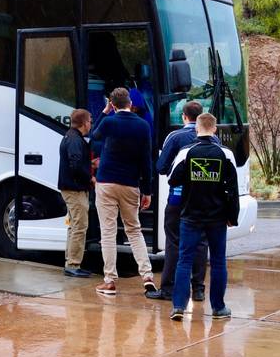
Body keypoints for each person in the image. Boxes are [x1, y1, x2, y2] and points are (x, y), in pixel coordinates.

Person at [166, 113, 239, 320]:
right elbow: (232, 189)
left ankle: (179, 306)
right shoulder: (225, 154)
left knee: (184, 260)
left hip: (190, 215)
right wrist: (232, 217)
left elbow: (172, 179)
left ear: (197, 128)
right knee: (217, 261)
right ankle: (218, 307)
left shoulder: (186, 152)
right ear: (215, 129)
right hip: (217, 217)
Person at [146, 101, 215, 303]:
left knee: (174, 241)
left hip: (178, 197)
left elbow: (161, 166)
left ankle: (168, 288)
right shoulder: (214, 139)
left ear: (184, 117)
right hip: (203, 199)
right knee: (201, 242)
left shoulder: (175, 137)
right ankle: (199, 289)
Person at [91, 87, 156, 296]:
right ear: (130, 103)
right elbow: (146, 161)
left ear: (113, 103)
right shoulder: (143, 126)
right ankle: (147, 275)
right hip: (130, 184)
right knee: (134, 230)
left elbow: (94, 136)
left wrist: (104, 112)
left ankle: (109, 280)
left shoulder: (109, 121)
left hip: (106, 181)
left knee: (108, 232)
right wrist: (147, 190)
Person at [58, 109, 94, 278]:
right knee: (80, 226)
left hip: (71, 187)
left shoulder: (71, 137)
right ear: (84, 123)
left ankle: (70, 261)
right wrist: (90, 178)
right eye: (90, 121)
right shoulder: (75, 140)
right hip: (75, 189)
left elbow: (77, 162)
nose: (91, 124)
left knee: (73, 226)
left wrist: (90, 164)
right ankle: (73, 264)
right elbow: (76, 165)